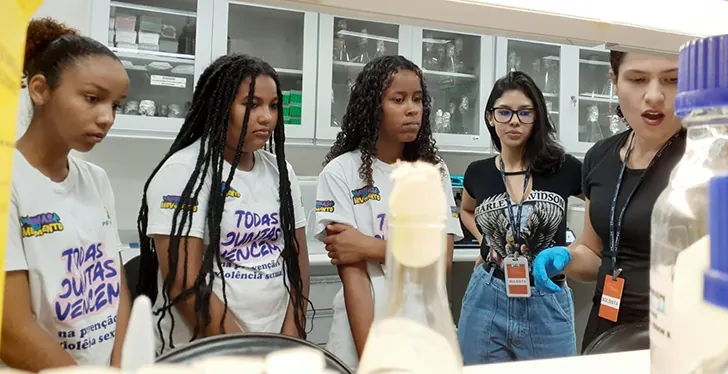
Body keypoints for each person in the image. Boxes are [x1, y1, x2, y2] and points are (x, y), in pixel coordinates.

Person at [137, 54, 310, 354]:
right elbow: (184, 284)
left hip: (274, 345)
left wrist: (291, 336)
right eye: (252, 104)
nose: (267, 117)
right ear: (219, 107)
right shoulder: (184, 171)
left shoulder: (280, 171)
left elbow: (297, 259)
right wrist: (247, 353)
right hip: (208, 350)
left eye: (273, 106)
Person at [314, 55, 463, 368]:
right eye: (398, 99)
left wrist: (370, 247)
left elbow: (442, 260)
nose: (412, 109)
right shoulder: (340, 173)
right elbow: (354, 277)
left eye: (418, 99)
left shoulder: (434, 171)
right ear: (372, 107)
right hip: (363, 339)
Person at [1, 18, 132, 370]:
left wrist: (120, 363)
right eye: (92, 99)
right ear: (41, 90)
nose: (107, 118)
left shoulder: (97, 179)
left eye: (116, 105)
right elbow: (9, 329)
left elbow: (114, 284)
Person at [532, 51, 684, 352]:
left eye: (673, 80)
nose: (654, 96)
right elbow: (592, 252)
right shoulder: (599, 157)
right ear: (614, 81)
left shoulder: (706, 159)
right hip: (606, 319)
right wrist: (566, 258)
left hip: (676, 328)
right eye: (637, 79)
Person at [456, 71, 582, 364]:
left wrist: (581, 250)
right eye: (505, 112)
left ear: (537, 118)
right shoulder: (478, 172)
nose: (514, 121)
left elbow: (602, 206)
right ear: (490, 117)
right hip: (487, 295)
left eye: (525, 113)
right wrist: (486, 240)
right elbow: (466, 209)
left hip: (546, 297)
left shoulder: (563, 168)